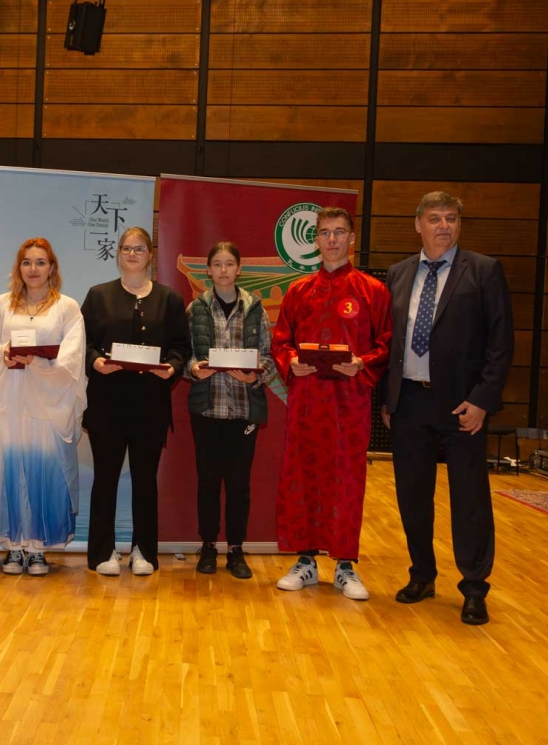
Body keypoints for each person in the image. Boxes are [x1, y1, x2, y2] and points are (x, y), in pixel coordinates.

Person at [383, 191, 514, 625]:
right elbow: (389, 342)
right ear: (417, 225)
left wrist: (482, 400)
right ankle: (422, 575)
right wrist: (388, 398)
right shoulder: (398, 274)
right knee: (412, 497)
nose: (443, 226)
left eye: (451, 218)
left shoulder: (484, 270)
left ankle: (474, 588)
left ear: (459, 224)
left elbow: (501, 343)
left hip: (463, 407)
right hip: (409, 402)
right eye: (435, 218)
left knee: (469, 500)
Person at [271, 209, 392, 599]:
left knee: (346, 480)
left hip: (349, 404)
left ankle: (345, 566)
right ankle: (305, 561)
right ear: (316, 240)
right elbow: (281, 340)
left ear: (351, 238)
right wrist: (291, 361)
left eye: (340, 232)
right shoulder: (299, 290)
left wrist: (362, 362)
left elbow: (385, 344)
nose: (333, 239)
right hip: (306, 401)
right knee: (302, 475)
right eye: (325, 233)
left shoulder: (372, 290)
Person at [82, 226, 191, 576]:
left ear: (150, 255)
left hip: (150, 404)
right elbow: (82, 343)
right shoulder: (98, 296)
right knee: (105, 480)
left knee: (145, 481)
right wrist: (96, 361)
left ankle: (143, 551)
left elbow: (181, 347)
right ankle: (103, 552)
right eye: (127, 248)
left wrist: (172, 367)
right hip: (106, 404)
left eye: (139, 248)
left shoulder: (170, 299)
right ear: (118, 254)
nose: (132, 254)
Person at [0, 238, 87, 575]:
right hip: (9, 397)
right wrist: (5, 353)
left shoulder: (67, 307)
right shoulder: (2, 304)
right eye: (27, 262)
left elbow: (72, 356)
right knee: (11, 467)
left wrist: (39, 363)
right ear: (19, 267)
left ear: (52, 268)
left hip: (47, 400)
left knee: (44, 470)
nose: (33, 269)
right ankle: (14, 547)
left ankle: (38, 548)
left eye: (40, 262)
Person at [185, 241, 279, 579]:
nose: (223, 270)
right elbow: (185, 355)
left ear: (239, 269)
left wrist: (255, 375)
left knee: (239, 485)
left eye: (229, 264)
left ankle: (236, 549)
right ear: (208, 270)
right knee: (208, 482)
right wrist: (194, 370)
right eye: (217, 264)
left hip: (243, 409)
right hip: (207, 409)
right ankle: (208, 546)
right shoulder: (195, 309)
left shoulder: (255, 309)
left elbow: (269, 357)